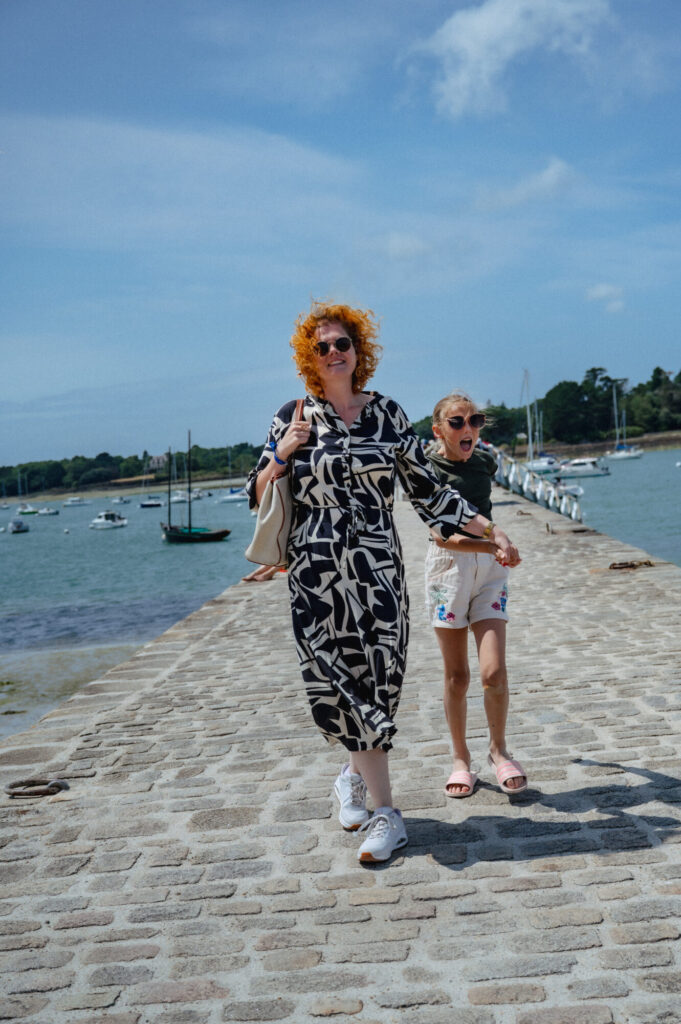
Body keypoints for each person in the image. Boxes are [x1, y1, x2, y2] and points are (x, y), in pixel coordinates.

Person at [246, 304, 516, 862]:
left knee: (378, 684)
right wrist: (282, 453)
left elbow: (430, 494)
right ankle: (389, 814)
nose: (334, 353)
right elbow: (255, 492)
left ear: (357, 351)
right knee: (333, 681)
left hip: (376, 572)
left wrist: (490, 528)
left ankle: (355, 777)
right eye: (322, 347)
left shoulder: (388, 415)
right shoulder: (292, 416)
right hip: (316, 572)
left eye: (343, 343)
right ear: (309, 358)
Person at [424, 391, 526, 799]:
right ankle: (460, 759)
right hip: (448, 569)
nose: (468, 429)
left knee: (493, 673)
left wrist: (494, 551)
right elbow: (441, 535)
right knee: (458, 675)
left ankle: (499, 752)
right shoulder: (428, 470)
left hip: (489, 573)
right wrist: (494, 544)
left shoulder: (485, 462)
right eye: (457, 422)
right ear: (439, 430)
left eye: (475, 420)